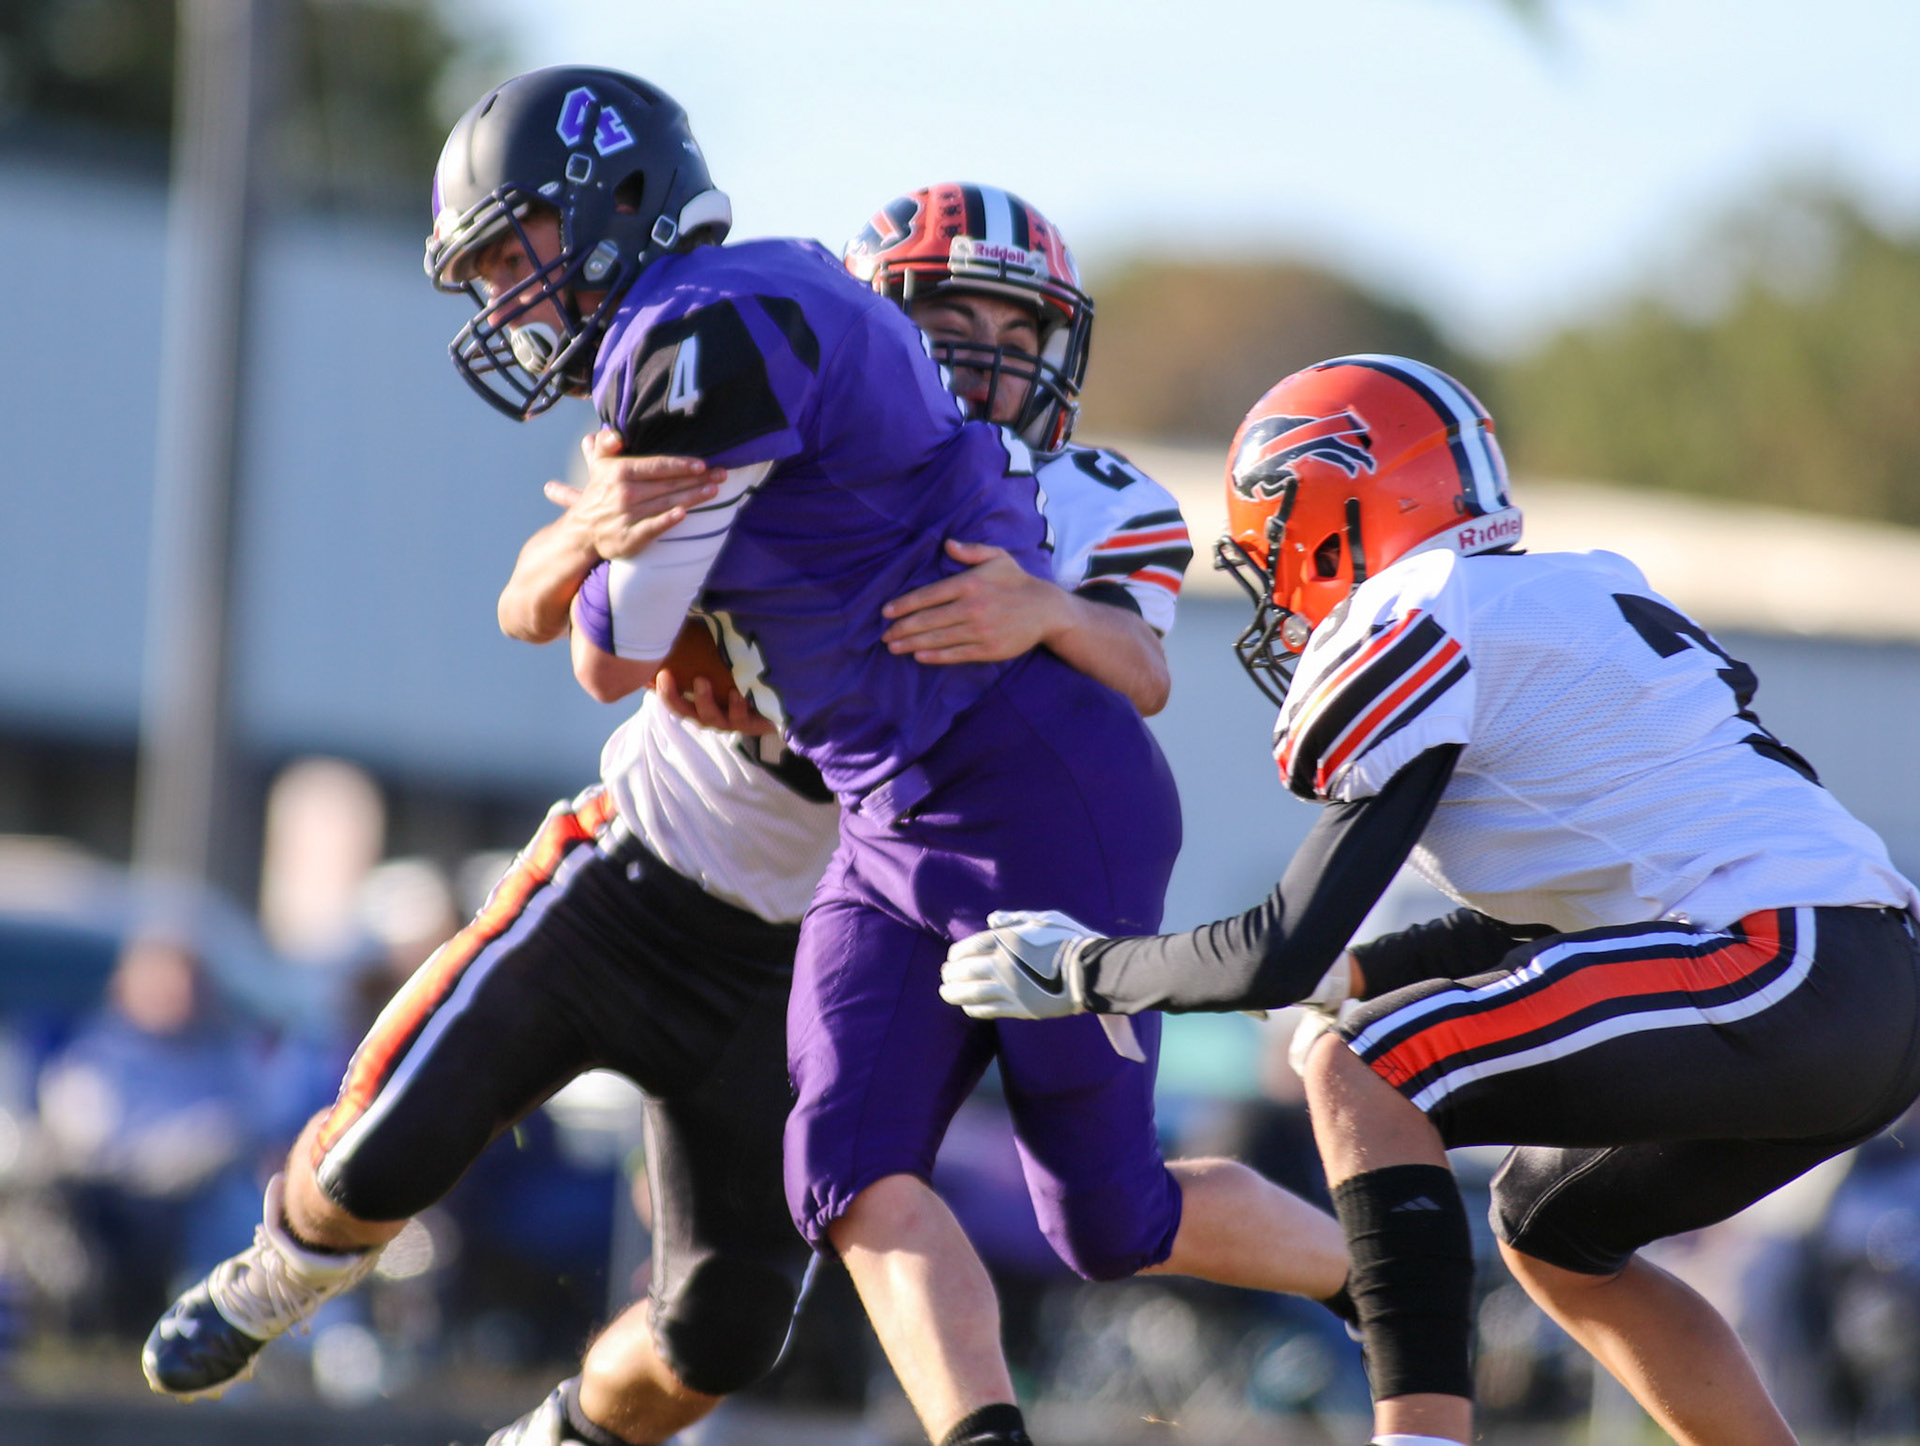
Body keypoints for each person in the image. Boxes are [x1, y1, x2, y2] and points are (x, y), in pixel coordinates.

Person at [143, 97, 1343, 1446]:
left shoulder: (1096, 500)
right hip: (648, 869)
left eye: (1022, 335)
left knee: (722, 1325)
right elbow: (554, 609)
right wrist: (587, 539)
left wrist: (1048, 614)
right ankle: (281, 1266)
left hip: (827, 932)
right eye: (954, 324)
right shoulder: (756, 410)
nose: (994, 364)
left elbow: (1143, 669)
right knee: (382, 1157)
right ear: (881, 322)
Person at [940, 352, 1920, 1446]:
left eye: (1274, 538)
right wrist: (1352, 970)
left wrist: (1083, 970)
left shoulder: (1423, 608)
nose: (1274, 575)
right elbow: (1550, 902)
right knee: (1553, 1232)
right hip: (1864, 980)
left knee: (1362, 1065)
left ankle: (1416, 1437)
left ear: (1331, 509)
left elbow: (1278, 944)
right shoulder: (1573, 588)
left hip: (1772, 960)